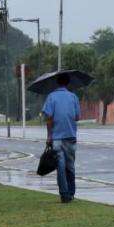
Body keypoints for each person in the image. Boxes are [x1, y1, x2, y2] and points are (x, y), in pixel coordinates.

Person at [42, 73, 80, 203]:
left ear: (57, 83)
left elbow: (48, 118)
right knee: (70, 166)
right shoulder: (73, 97)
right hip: (70, 136)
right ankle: (71, 192)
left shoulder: (51, 97)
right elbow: (77, 117)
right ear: (68, 83)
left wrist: (49, 136)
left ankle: (64, 195)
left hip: (56, 137)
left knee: (60, 166)